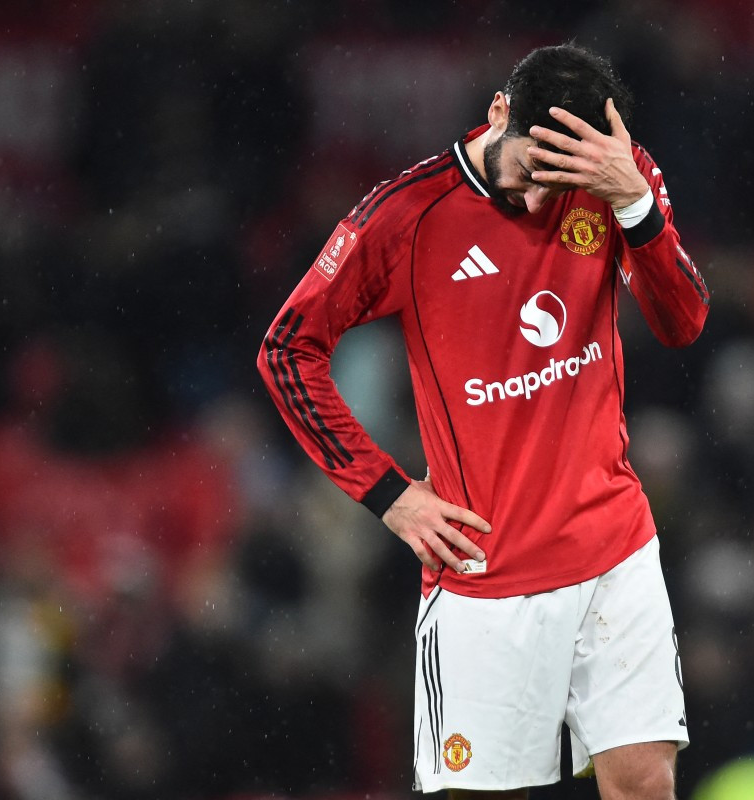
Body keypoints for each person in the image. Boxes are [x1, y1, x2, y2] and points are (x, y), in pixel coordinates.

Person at [257, 43, 709, 799]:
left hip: (613, 548)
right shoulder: (408, 215)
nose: (539, 199)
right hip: (485, 571)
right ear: (500, 113)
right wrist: (389, 495)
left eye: (560, 180)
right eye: (531, 170)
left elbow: (682, 322)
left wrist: (636, 205)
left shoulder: (615, 175)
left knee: (644, 782)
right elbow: (286, 351)